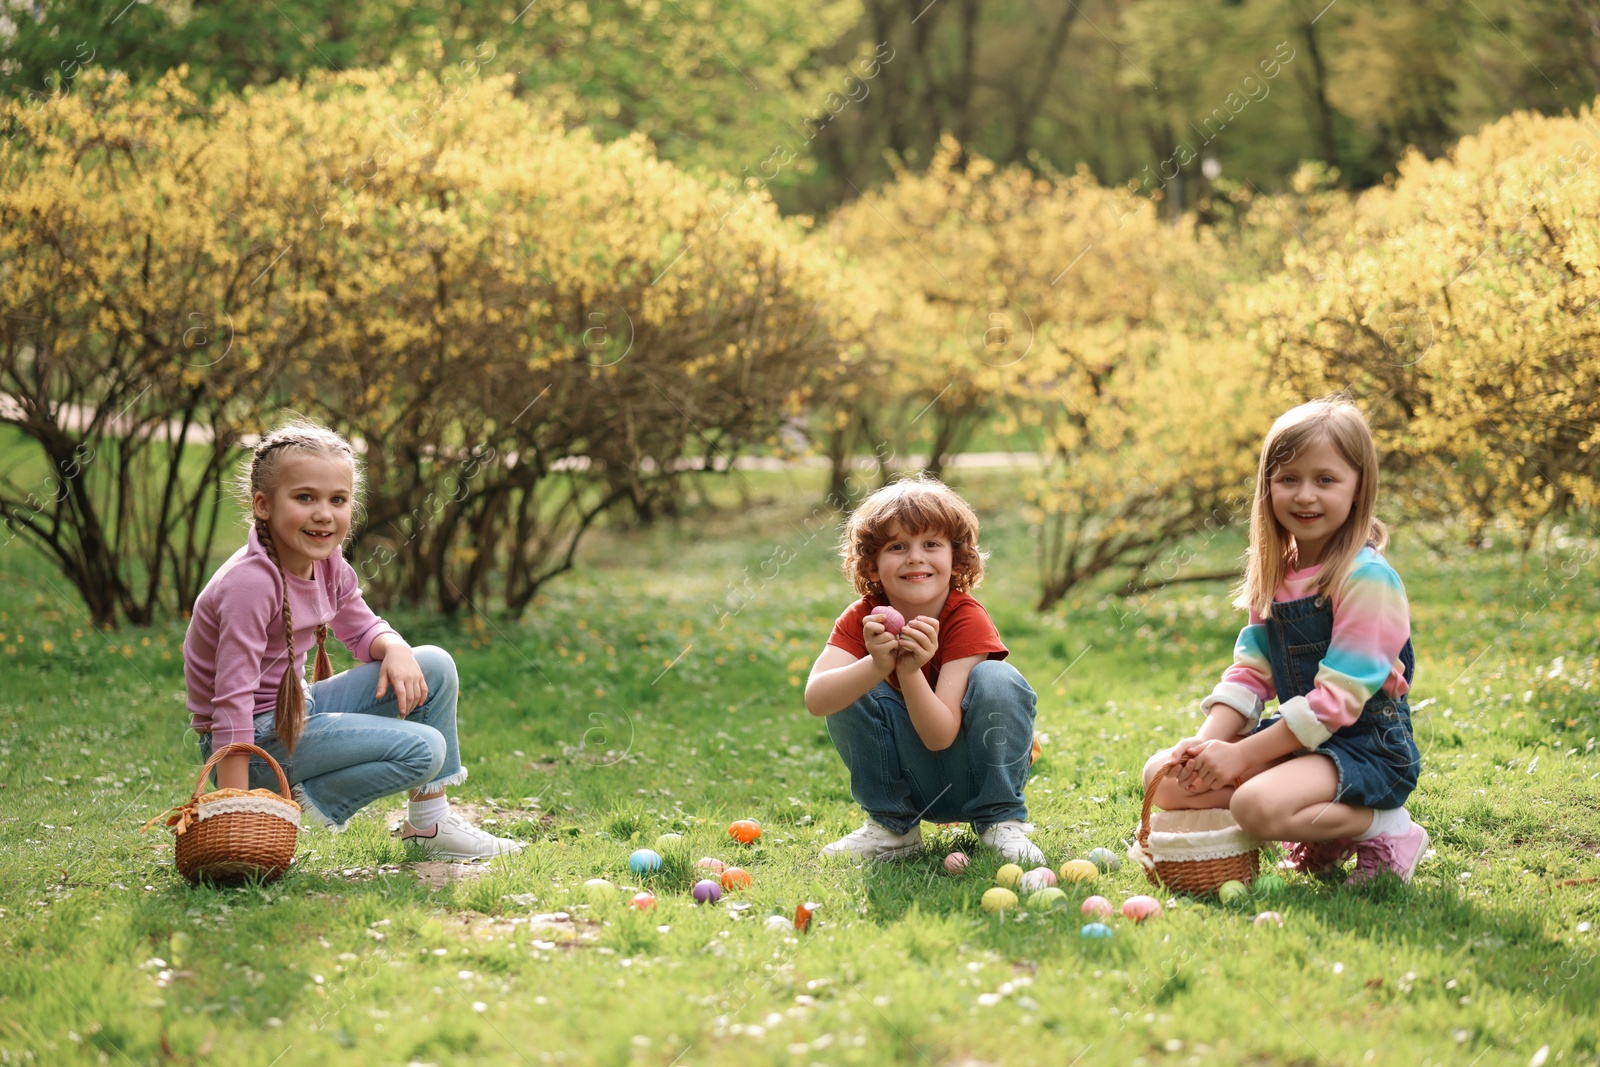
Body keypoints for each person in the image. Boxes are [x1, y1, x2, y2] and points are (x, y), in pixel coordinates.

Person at [182, 418, 522, 861]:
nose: (324, 513)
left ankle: (431, 827)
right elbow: (232, 699)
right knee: (425, 750)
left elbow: (362, 628)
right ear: (263, 505)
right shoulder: (250, 585)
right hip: (253, 748)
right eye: (305, 497)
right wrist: (234, 804)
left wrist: (395, 647)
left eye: (337, 499)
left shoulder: (326, 561)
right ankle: (289, 799)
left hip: (297, 709)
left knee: (433, 665)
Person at [1141, 397, 1427, 884]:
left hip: (1368, 747)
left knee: (1255, 805)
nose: (1305, 496)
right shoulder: (1278, 572)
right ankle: (1322, 828)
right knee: (1164, 779)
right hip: (1300, 741)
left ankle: (1386, 826)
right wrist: (1206, 743)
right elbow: (1252, 671)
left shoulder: (1367, 580)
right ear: (1267, 486)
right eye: (1288, 479)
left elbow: (1337, 703)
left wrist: (1242, 756)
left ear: (1359, 488)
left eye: (1326, 480)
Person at [805, 474, 1044, 864]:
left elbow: (939, 736)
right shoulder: (862, 618)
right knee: (846, 685)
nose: (915, 556)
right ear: (873, 565)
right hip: (908, 781)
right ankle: (893, 829)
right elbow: (818, 700)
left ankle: (1001, 822)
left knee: (998, 678)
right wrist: (874, 665)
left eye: (931, 544)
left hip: (971, 774)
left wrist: (909, 671)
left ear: (956, 558)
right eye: (897, 546)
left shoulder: (965, 618)